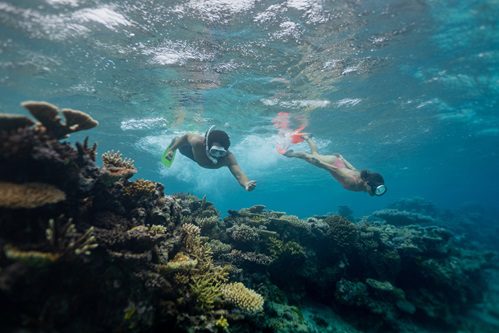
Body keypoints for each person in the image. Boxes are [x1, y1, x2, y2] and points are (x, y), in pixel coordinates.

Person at [283, 135, 386, 196]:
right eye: (373, 190)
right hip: (333, 164)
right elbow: (336, 170)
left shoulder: (362, 179)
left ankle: (307, 138)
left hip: (337, 162)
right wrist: (320, 163)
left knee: (315, 154)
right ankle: (290, 154)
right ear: (368, 183)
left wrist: (342, 158)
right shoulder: (353, 183)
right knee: (307, 156)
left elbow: (353, 169)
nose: (374, 193)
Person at [164, 126, 256, 191]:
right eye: (214, 151)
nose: (217, 155)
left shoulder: (228, 158)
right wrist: (172, 150)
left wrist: (246, 184)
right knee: (182, 149)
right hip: (193, 153)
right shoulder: (198, 142)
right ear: (206, 145)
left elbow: (238, 174)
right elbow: (186, 136)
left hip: (199, 160)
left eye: (221, 152)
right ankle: (175, 140)